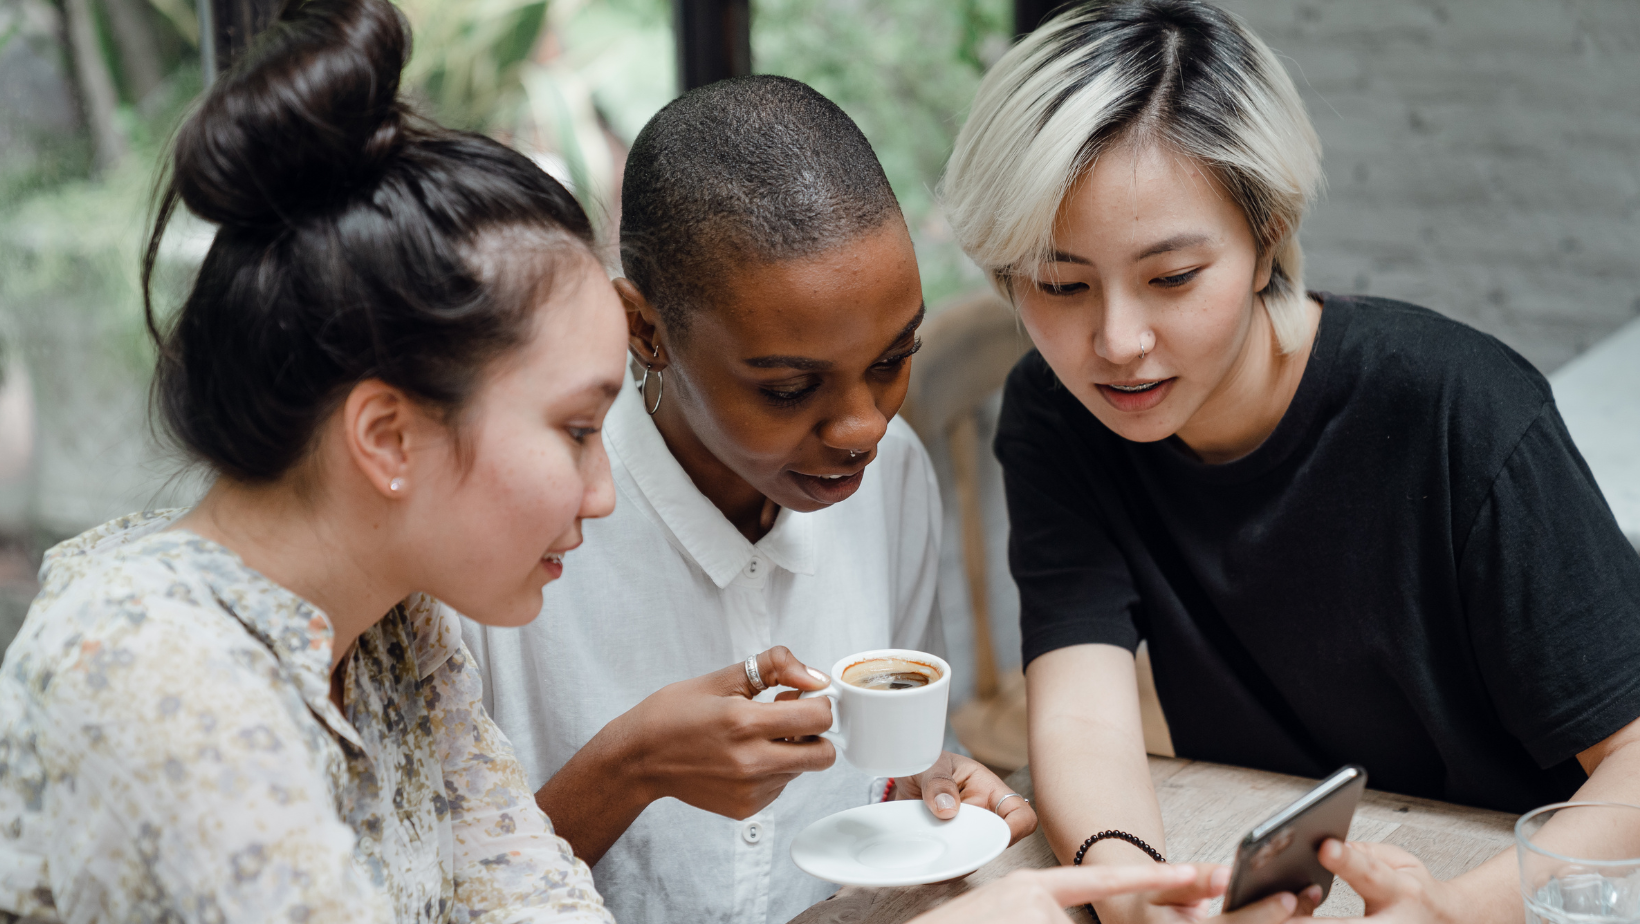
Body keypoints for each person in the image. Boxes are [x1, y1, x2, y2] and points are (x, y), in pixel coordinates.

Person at [937, 1, 1640, 923]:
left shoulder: (1456, 406)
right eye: (1060, 285)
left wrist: (1458, 910)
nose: (1117, 342)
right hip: (1271, 860)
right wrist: (1132, 890)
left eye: (1173, 277)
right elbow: (1080, 714)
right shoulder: (1059, 413)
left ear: (1266, 232)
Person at [0, 0, 628, 918]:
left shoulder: (391, 624)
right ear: (386, 436)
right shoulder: (151, 667)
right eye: (577, 430)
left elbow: (531, 901)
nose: (603, 492)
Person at [463, 76, 1036, 924]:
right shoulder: (509, 529)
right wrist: (631, 768)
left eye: (892, 359)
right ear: (646, 330)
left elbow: (887, 779)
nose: (861, 427)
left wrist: (925, 784)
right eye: (789, 388)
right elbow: (433, 892)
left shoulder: (896, 476)